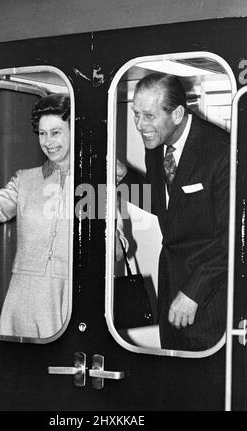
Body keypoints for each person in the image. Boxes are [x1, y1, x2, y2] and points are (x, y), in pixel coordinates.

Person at [118, 73, 229, 351]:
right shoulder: (156, 145)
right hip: (171, 292)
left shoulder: (222, 151)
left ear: (177, 113)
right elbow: (167, 207)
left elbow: (235, 238)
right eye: (136, 115)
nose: (140, 126)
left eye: (149, 116)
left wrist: (193, 293)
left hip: (209, 301)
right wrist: (125, 178)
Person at [0, 93, 71, 339]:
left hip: (70, 297)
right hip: (24, 300)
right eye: (42, 134)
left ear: (73, 130)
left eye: (55, 132)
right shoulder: (25, 180)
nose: (48, 141)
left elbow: (117, 247)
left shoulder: (94, 181)